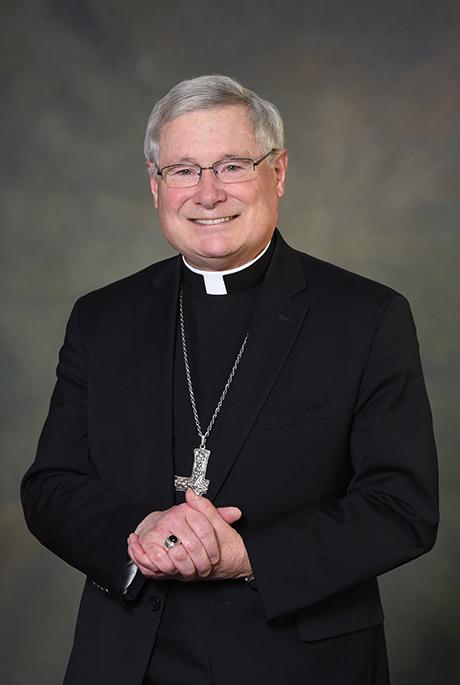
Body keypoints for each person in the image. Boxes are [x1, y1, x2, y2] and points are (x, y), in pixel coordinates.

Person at [21, 75, 438, 685]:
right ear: (155, 185)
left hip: (300, 664)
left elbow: (401, 509)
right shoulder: (103, 318)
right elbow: (52, 485)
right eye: (184, 170)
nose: (208, 193)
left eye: (232, 165)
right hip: (127, 659)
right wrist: (138, 532)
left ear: (280, 173)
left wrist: (246, 556)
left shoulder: (366, 317)